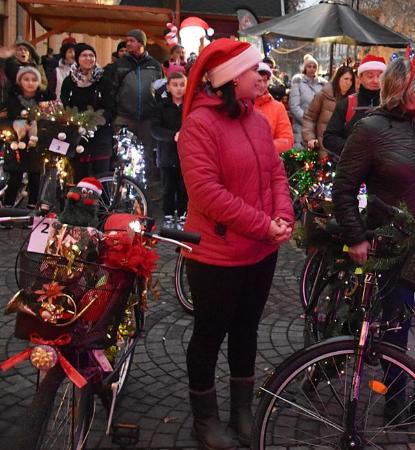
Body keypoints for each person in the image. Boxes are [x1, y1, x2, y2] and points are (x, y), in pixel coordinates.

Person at [332, 54, 415, 425]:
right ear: (407, 89)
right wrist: (356, 238)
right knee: (396, 325)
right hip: (391, 245)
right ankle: (395, 400)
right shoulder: (370, 129)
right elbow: (342, 189)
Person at [177, 39, 293, 450]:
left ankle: (241, 410)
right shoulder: (199, 125)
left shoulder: (259, 121)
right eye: (253, 71)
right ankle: (204, 421)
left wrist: (284, 217)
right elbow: (207, 194)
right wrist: (265, 225)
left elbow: (276, 175)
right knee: (210, 333)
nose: (262, 77)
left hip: (260, 251)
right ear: (229, 79)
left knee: (246, 329)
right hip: (216, 256)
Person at [108, 29, 164, 179]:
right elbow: (111, 91)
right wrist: (115, 114)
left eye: (132, 41)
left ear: (141, 43)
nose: (128, 44)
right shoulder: (119, 64)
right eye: (127, 41)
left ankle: (144, 191)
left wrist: (158, 114)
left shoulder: (155, 65)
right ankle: (123, 190)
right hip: (124, 118)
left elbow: (161, 91)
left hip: (147, 119)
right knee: (123, 156)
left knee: (146, 158)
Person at [60, 43, 115, 180]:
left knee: (101, 177)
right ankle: (79, 201)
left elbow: (111, 107)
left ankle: (102, 202)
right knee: (79, 176)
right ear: (78, 58)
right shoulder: (69, 82)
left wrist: (96, 122)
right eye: (84, 55)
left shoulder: (104, 80)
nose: (89, 58)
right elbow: (65, 105)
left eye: (91, 55)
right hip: (77, 134)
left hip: (99, 134)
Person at [2, 65, 55, 207]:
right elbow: (3, 119)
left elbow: (51, 121)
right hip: (16, 142)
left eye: (33, 80)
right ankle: (8, 209)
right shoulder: (11, 99)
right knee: (15, 176)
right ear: (20, 81)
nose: (30, 83)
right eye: (26, 79)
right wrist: (15, 126)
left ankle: (32, 210)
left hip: (36, 143)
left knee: (35, 175)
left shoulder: (44, 100)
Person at [323, 54, 385, 158]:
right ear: (360, 77)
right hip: (350, 167)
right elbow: (329, 138)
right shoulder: (347, 104)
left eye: (380, 76)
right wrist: (353, 150)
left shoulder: (391, 105)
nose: (375, 80)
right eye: (370, 76)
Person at [151, 71, 187, 226]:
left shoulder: (189, 106)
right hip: (166, 154)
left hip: (185, 155)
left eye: (182, 85)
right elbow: (155, 129)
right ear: (168, 87)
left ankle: (183, 214)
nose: (178, 89)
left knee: (183, 187)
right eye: (175, 85)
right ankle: (168, 215)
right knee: (167, 188)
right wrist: (173, 135)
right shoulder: (161, 107)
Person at [302, 65, 355, 158]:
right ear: (338, 78)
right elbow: (309, 117)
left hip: (344, 150)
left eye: (351, 80)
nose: (348, 83)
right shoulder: (324, 95)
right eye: (346, 79)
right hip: (322, 147)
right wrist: (310, 138)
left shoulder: (353, 100)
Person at [253, 63, 293, 153]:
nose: (262, 85)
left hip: (269, 162)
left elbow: (287, 140)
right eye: (258, 80)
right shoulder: (240, 105)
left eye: (265, 80)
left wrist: (263, 148)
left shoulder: (278, 108)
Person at [288, 54, 325, 148]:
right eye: (309, 66)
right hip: (301, 125)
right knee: (300, 155)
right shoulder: (298, 82)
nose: (312, 69)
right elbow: (294, 106)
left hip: (318, 127)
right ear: (305, 68)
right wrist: (307, 120)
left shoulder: (323, 84)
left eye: (314, 66)